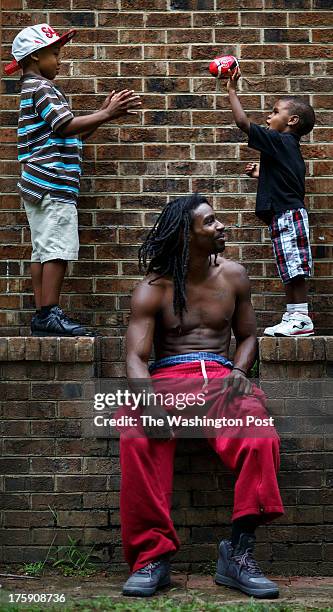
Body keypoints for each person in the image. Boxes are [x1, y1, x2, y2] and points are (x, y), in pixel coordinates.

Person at [121, 194, 284, 599]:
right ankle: (151, 558)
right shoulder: (154, 287)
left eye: (218, 220)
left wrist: (240, 371)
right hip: (168, 378)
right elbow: (135, 358)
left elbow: (247, 337)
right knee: (136, 434)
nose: (221, 226)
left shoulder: (234, 276)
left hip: (221, 377)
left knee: (258, 434)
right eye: (210, 222)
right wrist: (151, 405)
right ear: (186, 234)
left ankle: (239, 553)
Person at [5, 24, 141, 336]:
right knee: (57, 248)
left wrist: (104, 113)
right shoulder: (42, 88)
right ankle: (50, 313)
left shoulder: (31, 89)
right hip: (52, 183)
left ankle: (42, 315)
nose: (60, 60)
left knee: (41, 250)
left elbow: (70, 132)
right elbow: (65, 125)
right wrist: (107, 114)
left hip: (38, 184)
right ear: (36, 57)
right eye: (55, 53)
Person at [227, 67, 315, 337]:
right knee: (289, 267)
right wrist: (261, 174)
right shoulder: (286, 148)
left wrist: (231, 91)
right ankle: (294, 315)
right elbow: (288, 179)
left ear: (292, 120)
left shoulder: (281, 141)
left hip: (288, 215)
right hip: (284, 215)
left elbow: (243, 124)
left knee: (294, 268)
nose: (269, 116)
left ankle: (301, 318)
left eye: (276, 112)